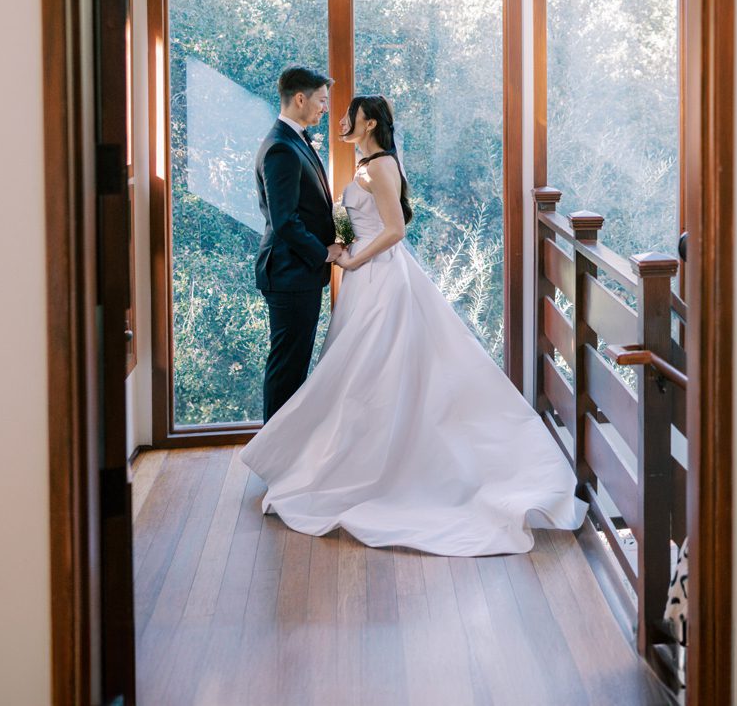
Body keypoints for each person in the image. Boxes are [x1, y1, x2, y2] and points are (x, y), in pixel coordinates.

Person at [241, 93, 585, 556]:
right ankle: (351, 455)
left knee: (374, 369)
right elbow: (360, 219)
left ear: (369, 124)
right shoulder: (365, 165)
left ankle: (385, 462)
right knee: (360, 370)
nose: (340, 119)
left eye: (350, 115)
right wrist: (342, 243)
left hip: (380, 276)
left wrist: (353, 259)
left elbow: (395, 230)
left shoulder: (381, 165)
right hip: (363, 277)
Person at [253, 65, 340, 422]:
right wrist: (323, 253)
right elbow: (285, 220)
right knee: (287, 368)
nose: (325, 108)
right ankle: (274, 451)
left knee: (294, 364)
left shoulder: (294, 139)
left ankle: (285, 446)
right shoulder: (281, 148)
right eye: (322, 100)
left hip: (298, 272)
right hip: (290, 272)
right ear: (300, 99)